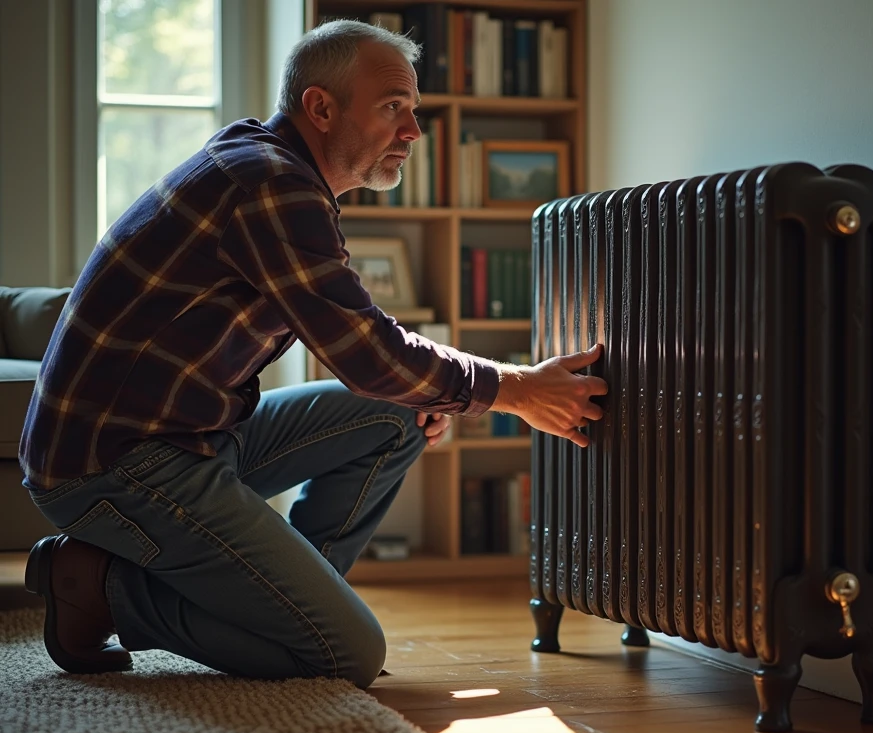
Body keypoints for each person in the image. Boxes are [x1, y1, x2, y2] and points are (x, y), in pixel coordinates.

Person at [18, 20, 606, 689]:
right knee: (344, 655)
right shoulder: (269, 182)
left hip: (195, 436)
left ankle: (289, 609)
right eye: (393, 108)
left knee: (393, 417)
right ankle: (98, 587)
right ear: (320, 108)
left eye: (414, 112)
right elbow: (365, 351)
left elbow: (367, 354)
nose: (414, 132)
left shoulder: (270, 165)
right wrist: (518, 390)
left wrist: (426, 393)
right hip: (113, 465)